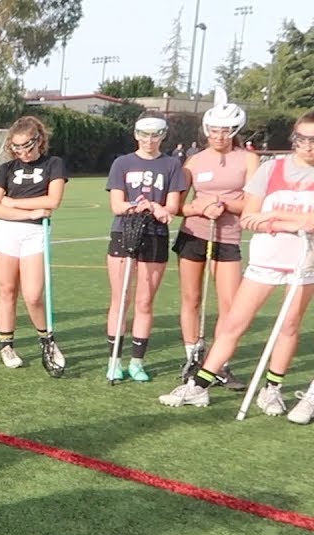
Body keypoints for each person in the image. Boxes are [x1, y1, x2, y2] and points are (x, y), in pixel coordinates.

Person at [160, 110, 314, 419]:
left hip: (305, 262)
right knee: (233, 323)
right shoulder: (272, 169)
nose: (307, 146)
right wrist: (289, 222)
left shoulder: (254, 161)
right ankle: (199, 385)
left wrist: (274, 218)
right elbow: (250, 217)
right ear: (293, 139)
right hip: (266, 259)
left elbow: (296, 220)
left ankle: (272, 389)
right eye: (301, 139)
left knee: (289, 325)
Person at [172, 94, 260, 388]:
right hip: (194, 234)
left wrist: (223, 204)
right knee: (191, 298)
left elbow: (251, 205)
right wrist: (200, 207)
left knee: (229, 304)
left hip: (228, 237)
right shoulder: (194, 161)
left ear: (234, 131)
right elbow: (179, 207)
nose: (218, 136)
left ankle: (219, 364)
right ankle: (192, 357)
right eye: (213, 130)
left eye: (224, 131)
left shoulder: (248, 159)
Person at [103, 115, 188, 382]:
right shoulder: (122, 163)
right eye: (144, 135)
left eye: (155, 135)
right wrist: (135, 206)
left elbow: (173, 205)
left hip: (155, 235)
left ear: (163, 136)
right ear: (136, 135)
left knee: (144, 301)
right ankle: (114, 360)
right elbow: (116, 204)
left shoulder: (172, 164)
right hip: (124, 231)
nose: (149, 141)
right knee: (121, 299)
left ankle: (137, 361)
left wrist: (157, 208)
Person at [0, 115, 68, 371]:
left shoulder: (54, 164)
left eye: (27, 146)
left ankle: (47, 340)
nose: (23, 152)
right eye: (17, 147)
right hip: (7, 232)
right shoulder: (6, 169)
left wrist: (13, 202)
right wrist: (30, 211)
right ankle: (6, 345)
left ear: (39, 140)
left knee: (32, 295)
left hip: (35, 234)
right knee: (7, 290)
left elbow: (52, 201)